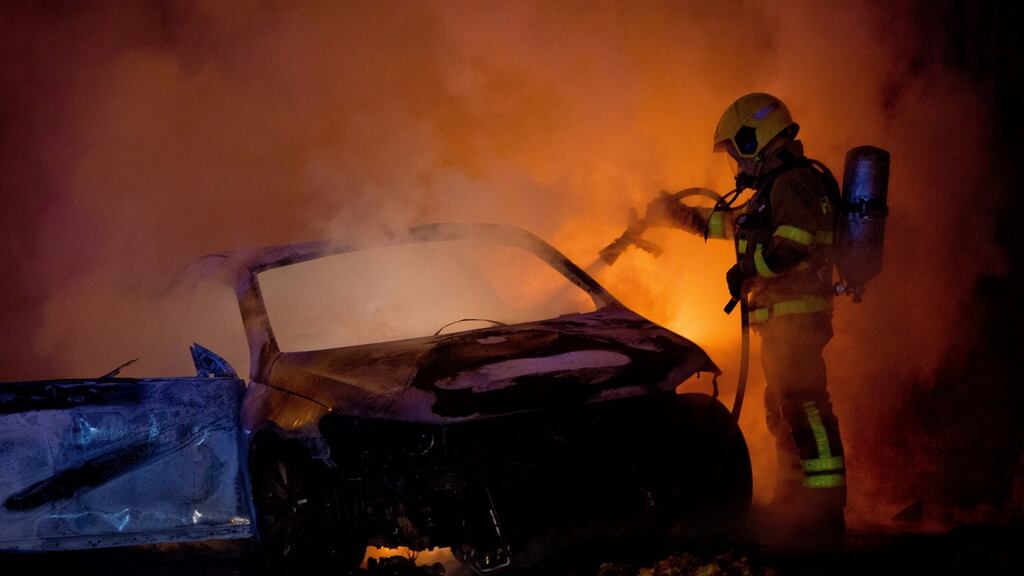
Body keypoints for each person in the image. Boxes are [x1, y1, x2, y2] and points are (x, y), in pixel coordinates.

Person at [648, 93, 846, 542]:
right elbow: (737, 227)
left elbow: (793, 244)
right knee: (783, 411)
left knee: (806, 407)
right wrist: (676, 216)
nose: (736, 163)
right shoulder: (776, 188)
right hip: (781, 320)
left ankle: (825, 511)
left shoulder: (793, 182)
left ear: (754, 138)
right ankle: (795, 500)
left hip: (797, 316)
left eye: (737, 151)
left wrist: (747, 268)